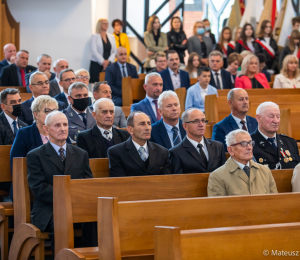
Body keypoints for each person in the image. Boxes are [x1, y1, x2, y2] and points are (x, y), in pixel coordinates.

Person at [27, 111, 93, 252]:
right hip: (48, 209)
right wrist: (67, 199)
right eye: (57, 125)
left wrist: (75, 201)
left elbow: (87, 184)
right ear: (46, 129)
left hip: (77, 205)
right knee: (62, 222)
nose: (63, 128)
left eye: (65, 125)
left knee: (97, 219)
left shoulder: (81, 154)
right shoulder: (35, 156)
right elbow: (40, 188)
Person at [10, 96, 71, 201]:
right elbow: (15, 165)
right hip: (31, 185)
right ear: (36, 114)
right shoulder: (24, 133)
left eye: (55, 111)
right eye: (47, 111)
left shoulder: (61, 133)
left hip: (60, 184)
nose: (52, 114)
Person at [207, 129, 278, 196]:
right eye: (243, 144)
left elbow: (276, 201)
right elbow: (219, 207)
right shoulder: (217, 176)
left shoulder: (265, 171)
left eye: (250, 143)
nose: (249, 147)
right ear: (231, 150)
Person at [107, 111, 171, 177]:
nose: (147, 128)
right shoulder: (116, 152)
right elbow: (119, 182)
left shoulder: (162, 152)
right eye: (142, 124)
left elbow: (166, 181)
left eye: (149, 124)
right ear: (130, 130)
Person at [170, 108, 226, 174]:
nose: (201, 125)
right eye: (196, 121)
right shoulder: (176, 152)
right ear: (185, 126)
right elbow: (178, 180)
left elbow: (224, 174)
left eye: (203, 120)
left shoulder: (218, 146)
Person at [251, 102, 300, 170]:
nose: (276, 121)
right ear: (258, 118)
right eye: (271, 116)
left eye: (278, 116)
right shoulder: (249, 144)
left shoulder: (290, 143)